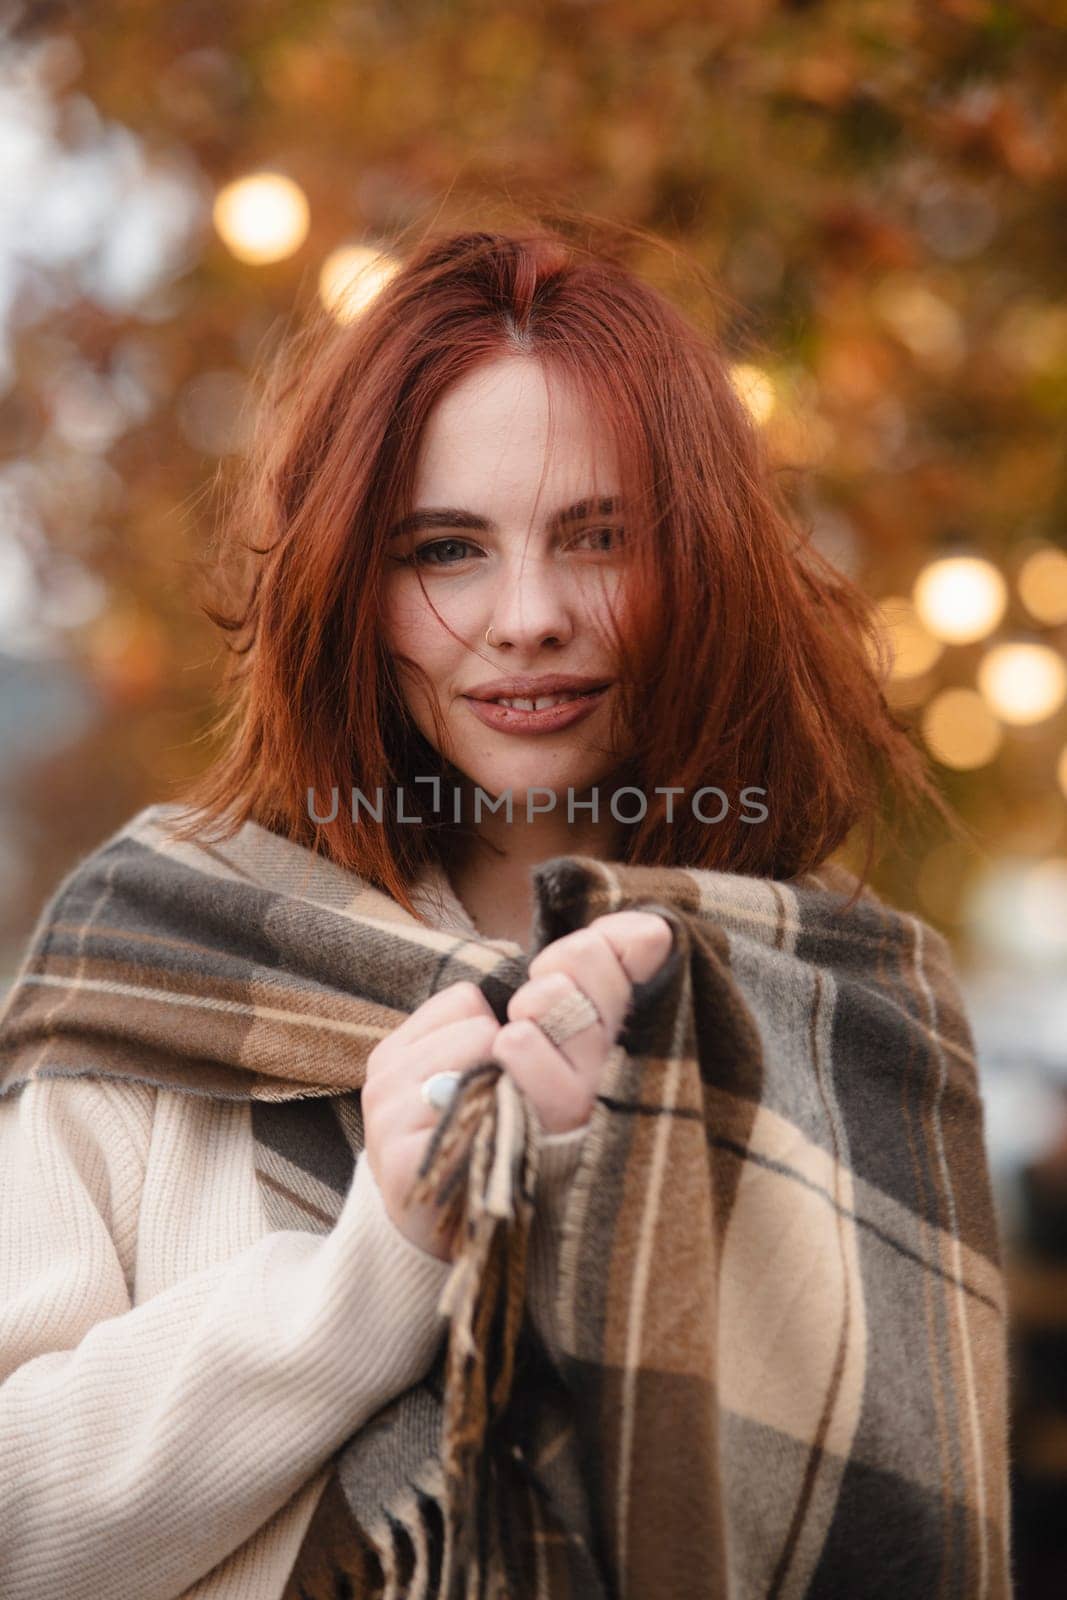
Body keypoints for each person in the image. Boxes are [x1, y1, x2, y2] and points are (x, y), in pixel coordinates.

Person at [0, 223, 1002, 1599]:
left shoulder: (837, 1007)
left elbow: (911, 1540)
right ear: (357, 586)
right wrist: (383, 1262)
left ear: (697, 568)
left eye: (597, 536)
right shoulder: (159, 947)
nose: (525, 617)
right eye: (447, 549)